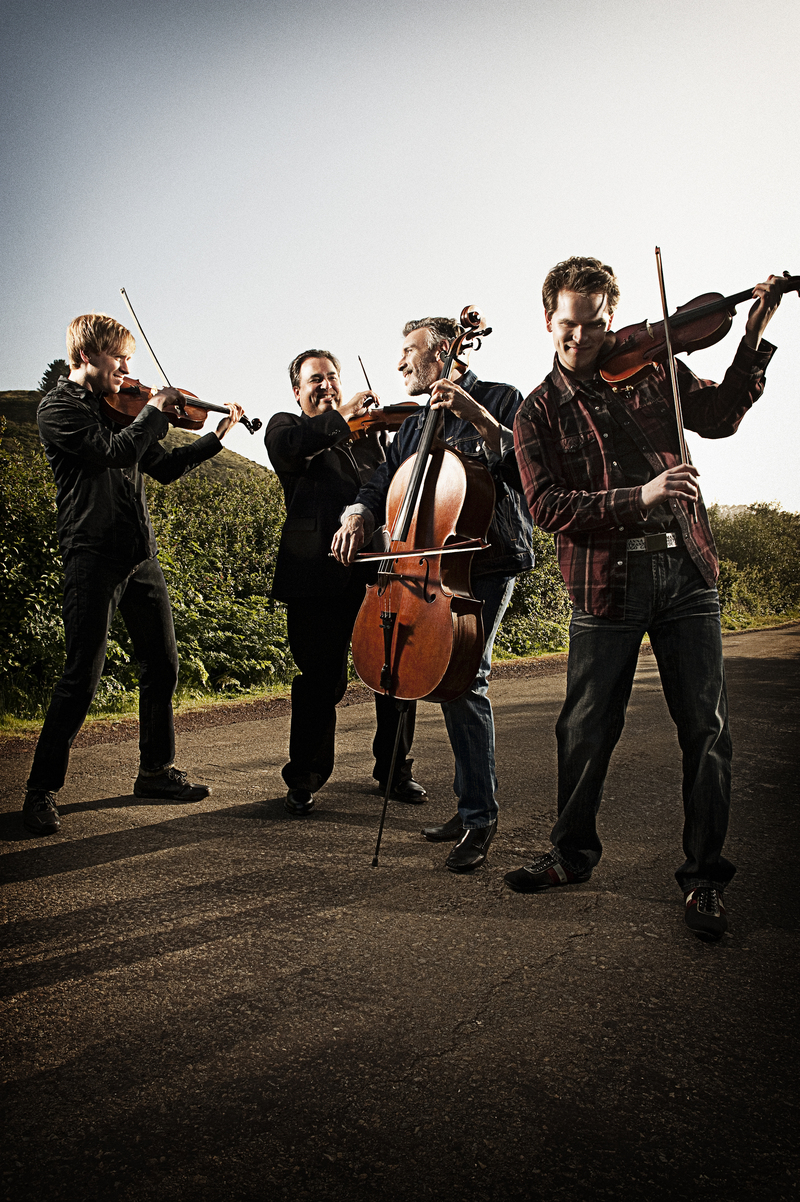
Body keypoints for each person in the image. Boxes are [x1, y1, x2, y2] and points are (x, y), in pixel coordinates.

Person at [510, 256, 784, 939]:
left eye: (596, 325)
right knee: (585, 729)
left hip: (686, 572)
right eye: (569, 326)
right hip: (606, 582)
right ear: (549, 321)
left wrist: (753, 334)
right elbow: (547, 507)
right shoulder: (536, 411)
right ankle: (572, 856)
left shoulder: (657, 367)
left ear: (612, 319)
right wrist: (641, 496)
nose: (583, 339)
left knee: (707, 730)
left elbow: (719, 418)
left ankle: (703, 881)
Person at [23, 312, 244, 836]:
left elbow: (161, 468)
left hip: (138, 555)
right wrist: (156, 410)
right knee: (81, 677)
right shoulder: (58, 411)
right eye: (118, 359)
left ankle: (155, 771)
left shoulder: (122, 413)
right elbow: (111, 453)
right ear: (86, 357)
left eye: (129, 360)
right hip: (91, 555)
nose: (127, 370)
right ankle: (40, 790)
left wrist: (215, 436)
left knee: (162, 664)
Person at [332, 318, 535, 871]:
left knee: (467, 679)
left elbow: (526, 469)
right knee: (446, 679)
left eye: (409, 352)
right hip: (429, 566)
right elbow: (381, 481)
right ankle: (470, 803)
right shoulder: (413, 424)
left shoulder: (500, 398)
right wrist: (358, 513)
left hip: (488, 559)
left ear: (445, 351)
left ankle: (480, 818)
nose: (399, 363)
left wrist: (482, 420)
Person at [264, 349, 426, 816]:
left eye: (333, 377)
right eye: (316, 379)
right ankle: (305, 777)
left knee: (393, 674)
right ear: (298, 390)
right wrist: (341, 417)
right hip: (316, 577)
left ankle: (394, 771)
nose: (327, 384)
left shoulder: (370, 439)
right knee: (319, 680)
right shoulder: (287, 428)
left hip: (379, 572)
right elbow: (290, 451)